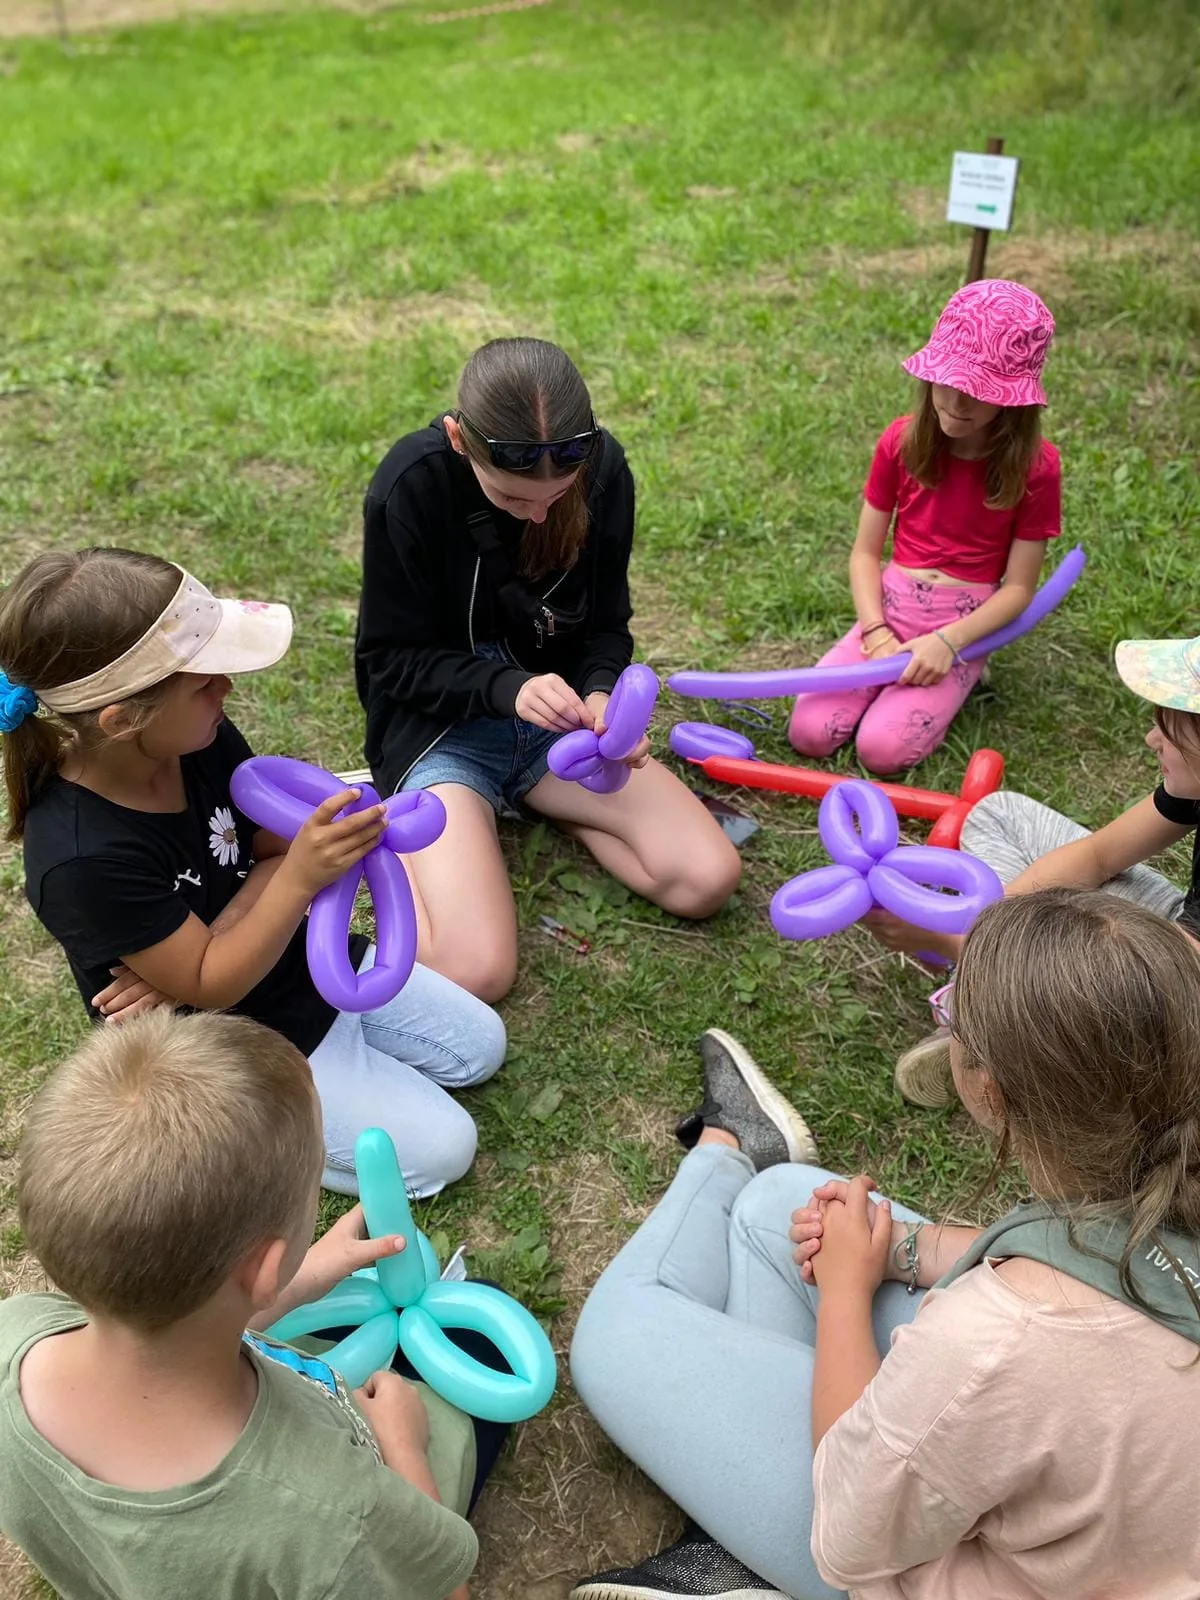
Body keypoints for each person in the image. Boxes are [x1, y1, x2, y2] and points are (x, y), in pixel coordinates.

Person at [568, 893, 1200, 1600]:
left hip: (931, 1565)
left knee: (616, 1332)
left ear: (988, 1088)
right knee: (780, 1205)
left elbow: (847, 1534)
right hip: (1124, 1524)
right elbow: (1110, 1263)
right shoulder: (1169, 1168)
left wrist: (844, 1293)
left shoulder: (995, 1339)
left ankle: (724, 1146)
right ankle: (739, 1549)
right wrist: (906, 1249)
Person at [0, 546, 505, 1197]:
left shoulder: (194, 739)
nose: (226, 689)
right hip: (225, 1047)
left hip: (296, 965)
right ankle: (234, 1139)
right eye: (204, 681)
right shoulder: (80, 860)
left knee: (481, 1047)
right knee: (445, 1150)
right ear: (122, 720)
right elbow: (215, 983)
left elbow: (266, 854)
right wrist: (291, 883)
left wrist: (229, 928)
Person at [0, 1008, 493, 1600]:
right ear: (260, 1270)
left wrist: (302, 1276)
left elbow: (171, 1332)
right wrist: (401, 1446)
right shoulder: (334, 1510)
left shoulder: (16, 1334)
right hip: (363, 1472)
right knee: (477, 1338)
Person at [355, 337, 741, 1002]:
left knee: (706, 879)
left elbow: (606, 624)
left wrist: (599, 697)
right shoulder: (411, 484)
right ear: (457, 439)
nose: (538, 513)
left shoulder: (604, 468)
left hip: (557, 733)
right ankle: (430, 825)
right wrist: (507, 688)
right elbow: (390, 660)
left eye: (556, 496)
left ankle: (539, 802)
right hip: (440, 729)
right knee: (477, 971)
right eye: (512, 500)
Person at [873, 628, 1200, 1106]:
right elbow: (1099, 854)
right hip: (1182, 946)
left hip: (1182, 990)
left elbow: (1162, 981)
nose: (1152, 738)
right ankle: (997, 1010)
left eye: (1168, 731)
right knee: (997, 816)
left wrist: (954, 944)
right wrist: (993, 923)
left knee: (1104, 981)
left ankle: (1007, 1039)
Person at [788, 280, 1060, 774]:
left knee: (882, 751)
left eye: (979, 392)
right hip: (888, 609)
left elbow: (1019, 588)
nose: (957, 403)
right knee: (809, 733)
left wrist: (951, 643)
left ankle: (969, 672)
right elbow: (865, 554)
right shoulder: (900, 441)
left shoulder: (1036, 467)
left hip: (963, 625)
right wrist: (874, 631)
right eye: (947, 383)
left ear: (1013, 401)